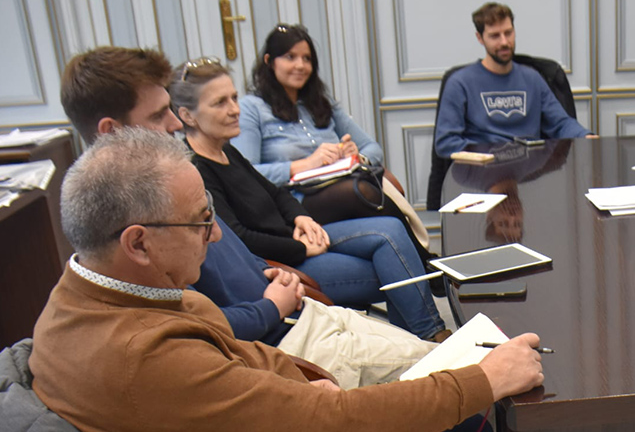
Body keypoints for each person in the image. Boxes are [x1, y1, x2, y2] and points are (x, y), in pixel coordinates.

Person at [30, 127, 547, 432]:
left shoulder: (81, 298)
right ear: (138, 244)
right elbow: (335, 428)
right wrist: (483, 379)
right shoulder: (143, 357)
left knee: (463, 427)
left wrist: (302, 387)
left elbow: (244, 359)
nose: (215, 234)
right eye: (202, 220)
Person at [60, 46, 436, 384]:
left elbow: (238, 238)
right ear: (112, 131)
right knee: (444, 372)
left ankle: (432, 334)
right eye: (160, 115)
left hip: (295, 311)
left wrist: (266, 269)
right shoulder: (137, 229)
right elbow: (201, 328)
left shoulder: (174, 180)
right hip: (284, 341)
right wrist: (272, 302)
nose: (175, 124)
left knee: (433, 350)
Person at [170, 59, 449, 342]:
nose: (234, 109)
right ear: (187, 116)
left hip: (294, 237)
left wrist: (301, 218)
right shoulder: (197, 170)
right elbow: (241, 239)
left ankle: (422, 339)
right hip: (281, 262)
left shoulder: (226, 151)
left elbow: (276, 193)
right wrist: (301, 248)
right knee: (395, 268)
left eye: (233, 98)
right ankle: (429, 337)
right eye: (220, 103)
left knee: (391, 229)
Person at [233, 24, 429, 248]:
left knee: (367, 196)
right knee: (359, 191)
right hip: (295, 201)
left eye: (307, 59)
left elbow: (372, 148)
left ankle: (417, 257)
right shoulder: (251, 108)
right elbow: (245, 174)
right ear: (269, 61)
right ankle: (423, 256)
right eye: (290, 57)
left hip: (339, 184)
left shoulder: (320, 102)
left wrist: (355, 156)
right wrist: (303, 165)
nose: (300, 65)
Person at [434, 2, 593, 158]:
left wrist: (585, 136)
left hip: (528, 168)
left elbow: (561, 123)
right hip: (483, 169)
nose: (504, 42)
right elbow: (446, 142)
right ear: (480, 38)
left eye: (508, 33)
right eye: (495, 36)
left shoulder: (532, 78)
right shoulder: (460, 83)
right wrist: (490, 156)